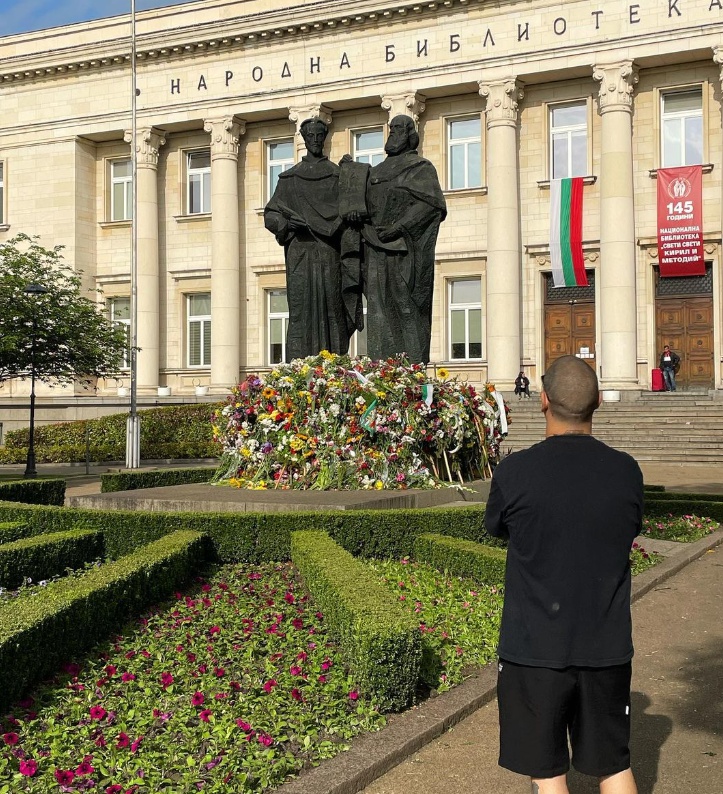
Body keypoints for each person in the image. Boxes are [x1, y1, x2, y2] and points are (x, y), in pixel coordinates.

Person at [485, 355, 643, 794]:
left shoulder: (515, 471)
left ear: (543, 402)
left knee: (549, 773)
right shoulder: (626, 471)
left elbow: (497, 527)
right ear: (596, 404)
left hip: (535, 647)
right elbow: (630, 528)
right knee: (614, 765)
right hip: (606, 644)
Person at [342, 115, 446, 363]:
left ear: (410, 135)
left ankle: (409, 369)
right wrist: (348, 177)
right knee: (378, 310)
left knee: (406, 307)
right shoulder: (375, 172)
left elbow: (430, 206)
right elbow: (359, 203)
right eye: (392, 129)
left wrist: (399, 227)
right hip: (375, 250)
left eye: (399, 129)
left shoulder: (420, 167)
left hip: (404, 252)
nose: (393, 133)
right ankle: (381, 367)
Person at [264, 118, 358, 359]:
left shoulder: (336, 176)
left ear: (324, 139)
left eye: (319, 136)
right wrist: (285, 223)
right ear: (304, 139)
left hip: (329, 252)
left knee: (333, 307)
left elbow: (351, 211)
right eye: (311, 136)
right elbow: (271, 213)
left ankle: (334, 364)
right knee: (300, 309)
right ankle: (300, 366)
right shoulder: (289, 179)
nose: (315, 141)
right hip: (300, 253)